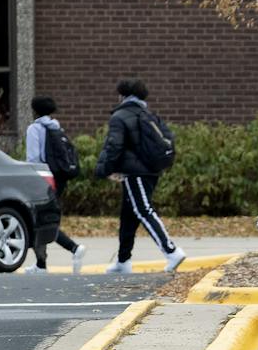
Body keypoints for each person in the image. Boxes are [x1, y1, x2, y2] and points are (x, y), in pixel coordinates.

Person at [94, 78, 185, 274]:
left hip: (135, 173)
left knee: (143, 210)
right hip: (151, 170)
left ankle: (171, 251)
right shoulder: (148, 114)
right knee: (128, 215)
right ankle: (123, 260)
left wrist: (104, 169)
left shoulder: (120, 116)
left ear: (123, 95)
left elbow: (114, 146)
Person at [23, 96, 87, 274]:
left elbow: (33, 159)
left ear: (34, 110)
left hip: (43, 179)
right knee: (45, 219)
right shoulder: (56, 127)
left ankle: (73, 248)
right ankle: (41, 264)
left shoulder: (34, 129)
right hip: (60, 178)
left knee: (41, 220)